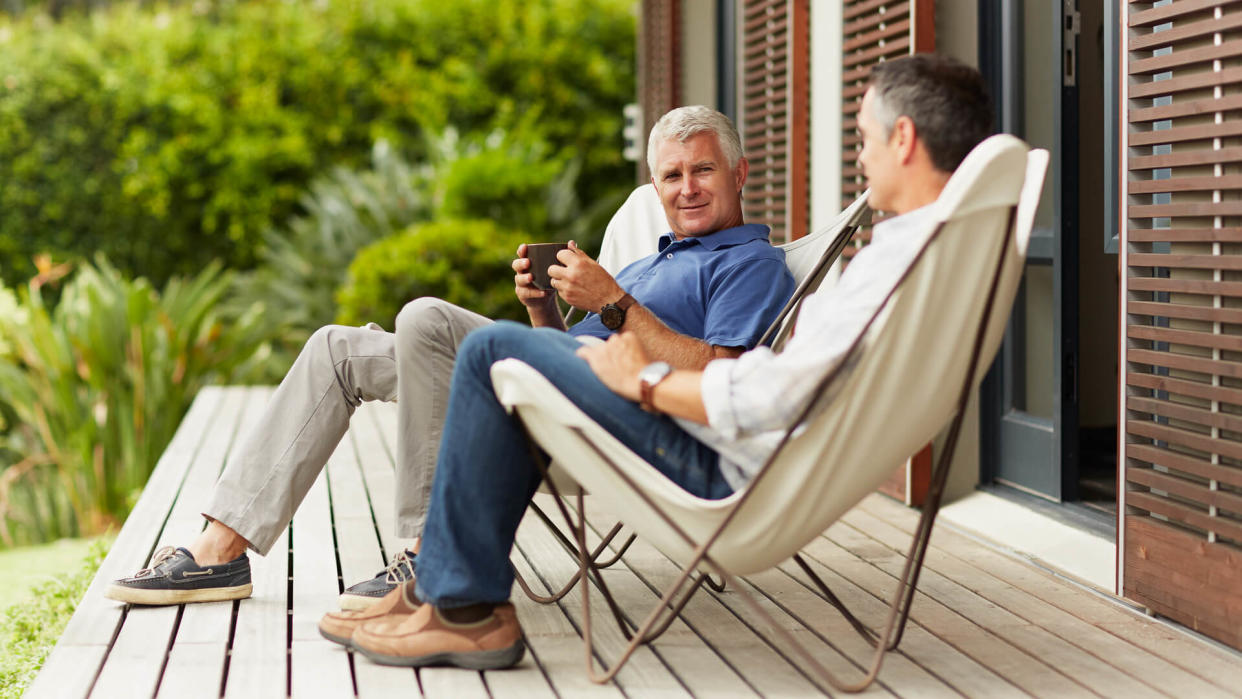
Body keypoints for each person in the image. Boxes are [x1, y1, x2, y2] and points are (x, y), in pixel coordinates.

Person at [319, 53, 994, 670]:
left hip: (714, 462)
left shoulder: (874, 271)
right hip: (705, 434)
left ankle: (459, 603)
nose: (860, 157)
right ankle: (449, 589)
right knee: (472, 343)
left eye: (865, 138)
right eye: (672, 175)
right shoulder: (919, 261)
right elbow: (786, 384)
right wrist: (569, 322)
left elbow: (769, 392)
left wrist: (643, 376)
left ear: (903, 140)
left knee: (487, 350)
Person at [106, 106, 796, 608]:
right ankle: (220, 550)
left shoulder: (750, 264)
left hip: (620, 417)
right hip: (555, 381)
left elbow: (720, 375)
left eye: (702, 170)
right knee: (337, 350)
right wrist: (540, 310)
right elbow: (583, 338)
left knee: (426, 319)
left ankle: (423, 552)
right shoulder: (657, 258)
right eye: (671, 175)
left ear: (738, 173)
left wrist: (614, 300)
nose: (687, 188)